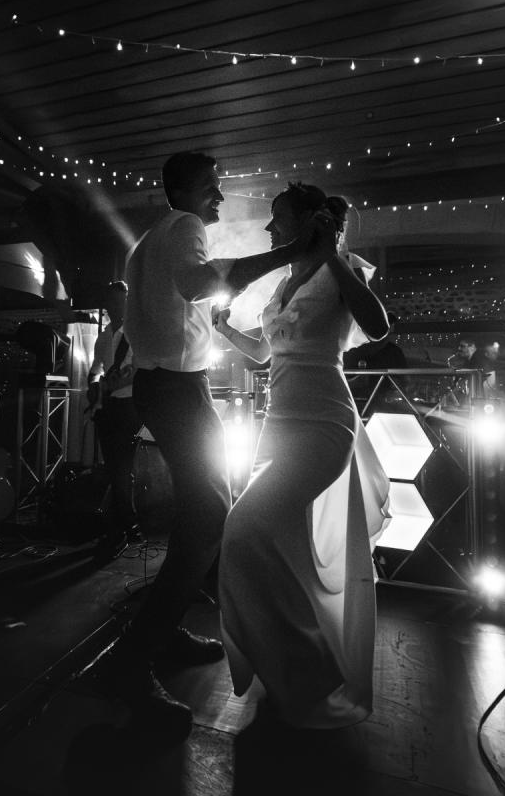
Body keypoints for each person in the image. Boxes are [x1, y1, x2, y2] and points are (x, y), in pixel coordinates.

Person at [97, 151, 333, 734]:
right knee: (209, 517)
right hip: (178, 388)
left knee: (201, 516)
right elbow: (199, 283)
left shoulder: (146, 241)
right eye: (211, 187)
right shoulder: (185, 226)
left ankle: (163, 632)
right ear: (183, 190)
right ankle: (132, 660)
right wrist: (287, 253)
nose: (220, 198)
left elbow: (167, 305)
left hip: (164, 386)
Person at [213, 182, 392, 728]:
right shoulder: (283, 282)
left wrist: (332, 254)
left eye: (278, 218)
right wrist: (225, 330)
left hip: (324, 423)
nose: (270, 229)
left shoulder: (343, 271)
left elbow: (379, 328)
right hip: (278, 426)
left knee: (244, 531)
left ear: (309, 221)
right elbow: (265, 353)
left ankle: (304, 666)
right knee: (280, 550)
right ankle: (297, 669)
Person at [85, 281, 139, 559]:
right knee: (115, 468)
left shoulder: (137, 332)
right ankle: (125, 524)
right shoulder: (104, 336)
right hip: (108, 407)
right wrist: (94, 384)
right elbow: (96, 368)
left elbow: (138, 371)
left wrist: (110, 384)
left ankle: (121, 528)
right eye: (112, 301)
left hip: (129, 406)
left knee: (121, 469)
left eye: (121, 301)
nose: (116, 306)